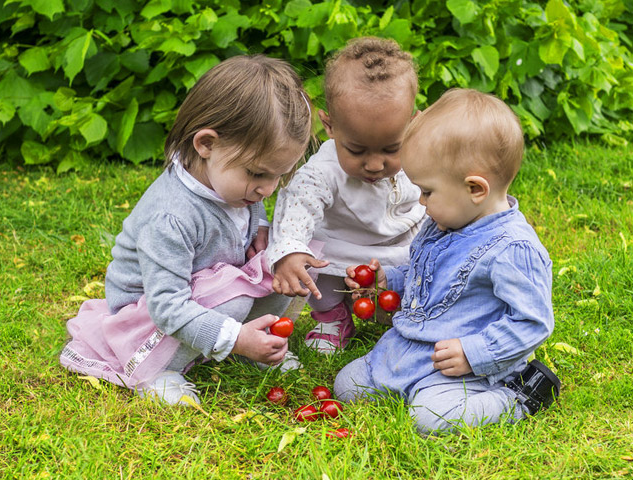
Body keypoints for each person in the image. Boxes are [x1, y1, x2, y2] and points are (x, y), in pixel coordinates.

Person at [60, 55, 314, 406]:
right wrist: (233, 335)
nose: (267, 190)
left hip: (211, 283)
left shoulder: (230, 181)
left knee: (287, 263)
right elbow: (167, 306)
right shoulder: (171, 217)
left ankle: (253, 342)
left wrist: (265, 229)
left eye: (278, 176)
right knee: (236, 301)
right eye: (258, 174)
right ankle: (159, 371)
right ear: (206, 144)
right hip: (151, 314)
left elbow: (254, 203)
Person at [333, 88, 560, 435]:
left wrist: (474, 352)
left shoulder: (512, 248)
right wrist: (388, 281)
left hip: (462, 367)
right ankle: (410, 385)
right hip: (408, 350)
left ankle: (518, 397)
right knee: (347, 386)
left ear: (475, 189)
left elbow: (533, 321)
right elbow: (425, 276)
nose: (421, 202)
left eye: (427, 191)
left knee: (430, 418)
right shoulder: (445, 221)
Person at [268, 37, 427, 354]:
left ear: (412, 125)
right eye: (356, 149)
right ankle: (331, 317)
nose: (374, 164)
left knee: (422, 276)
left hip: (401, 249)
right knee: (316, 272)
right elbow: (296, 211)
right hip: (339, 253)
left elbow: (437, 197)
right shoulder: (322, 172)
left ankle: (402, 315)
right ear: (329, 126)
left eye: (391, 149)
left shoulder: (422, 157)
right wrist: (290, 251)